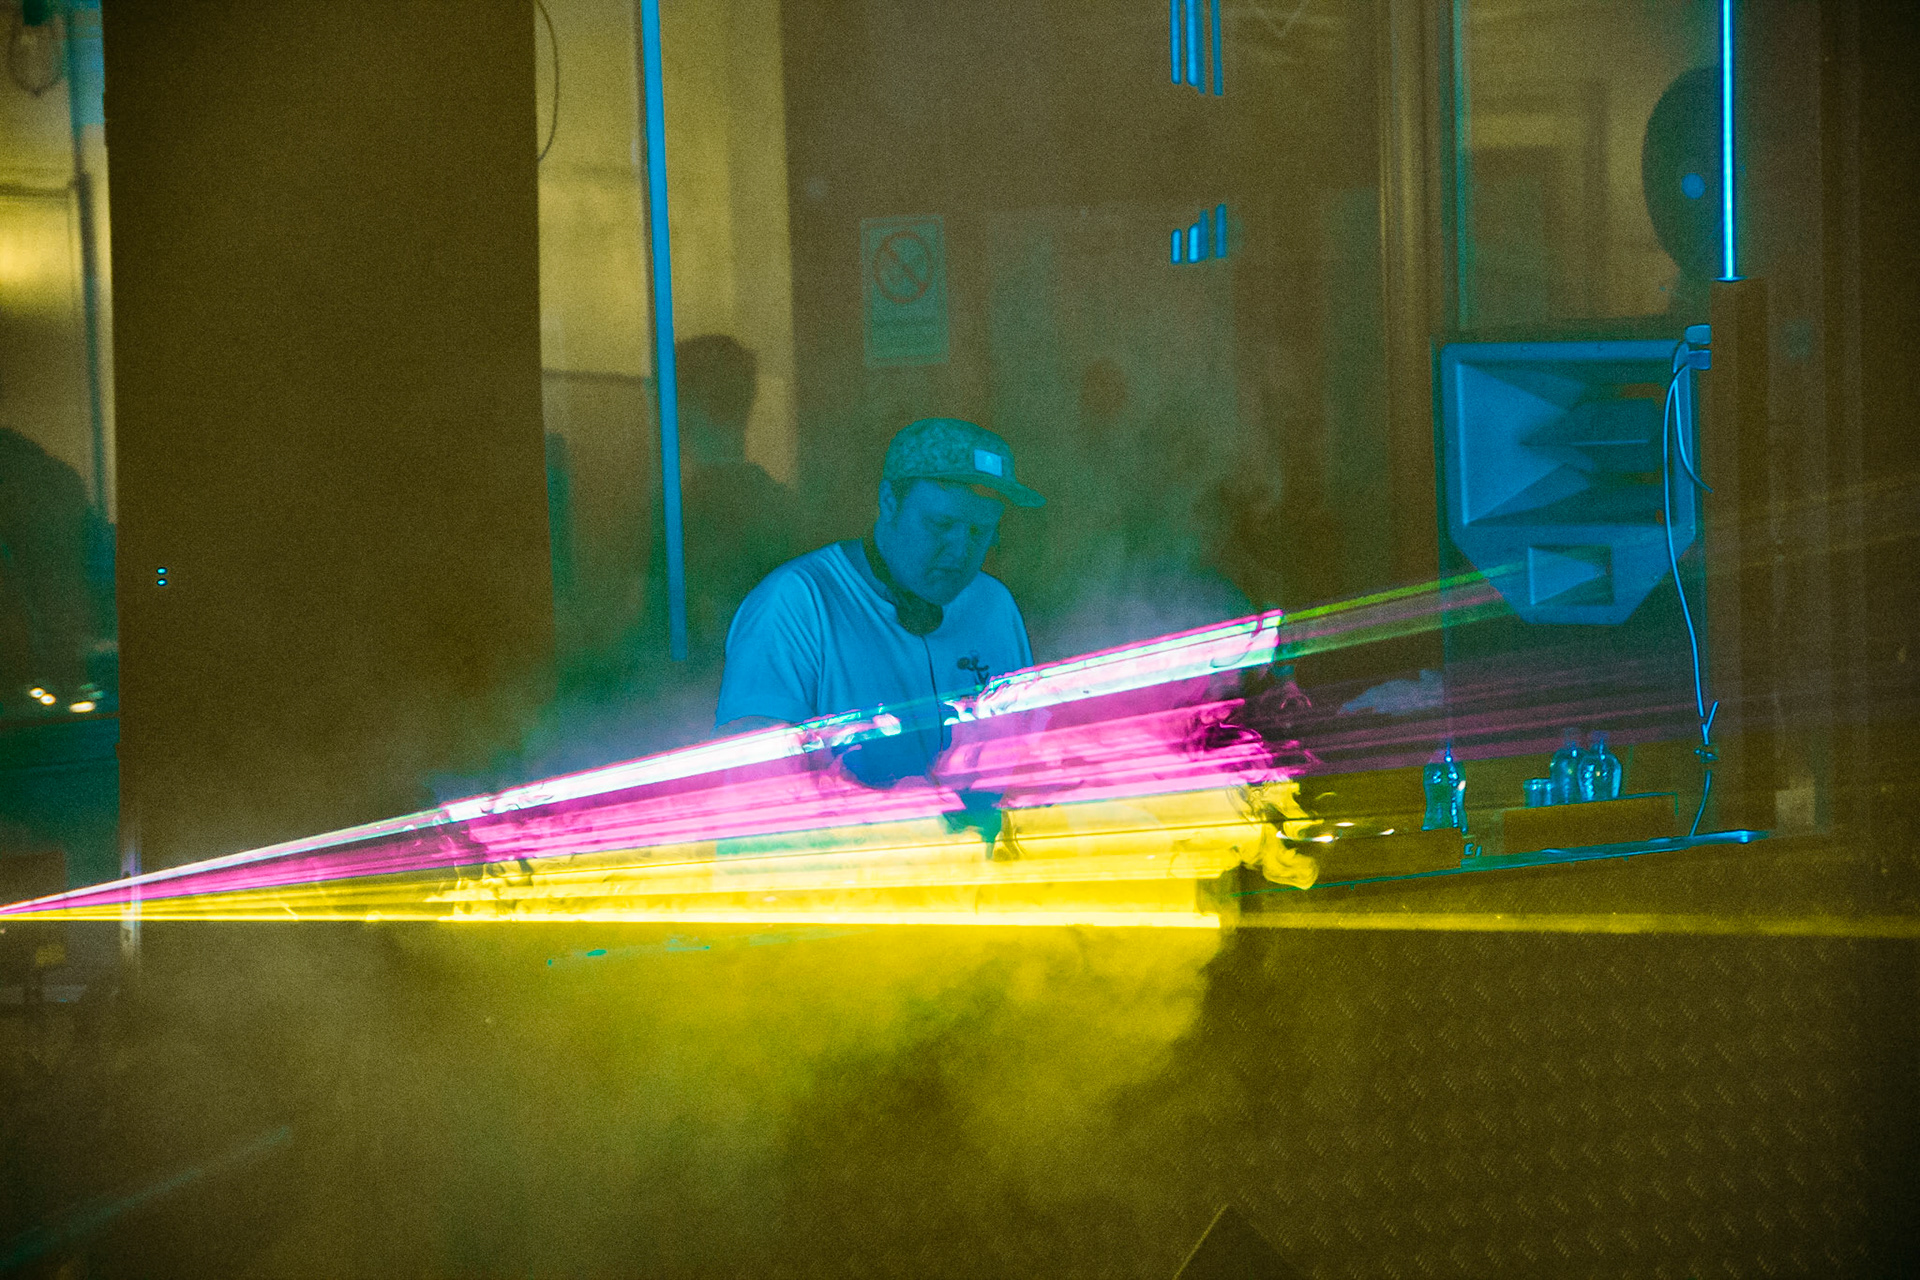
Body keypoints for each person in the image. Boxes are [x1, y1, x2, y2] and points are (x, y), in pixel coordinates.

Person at [715, 418, 1043, 781]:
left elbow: (1023, 747)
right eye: (940, 525)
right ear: (889, 502)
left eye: (980, 531)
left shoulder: (994, 605)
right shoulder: (796, 603)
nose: (960, 551)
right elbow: (754, 782)